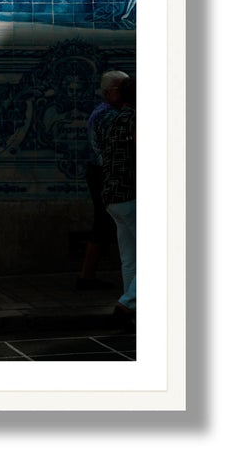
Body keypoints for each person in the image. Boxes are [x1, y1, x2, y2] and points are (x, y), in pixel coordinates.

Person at [77, 71, 129, 288]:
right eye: (122, 89)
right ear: (109, 92)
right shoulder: (109, 116)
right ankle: (87, 276)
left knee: (105, 222)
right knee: (103, 222)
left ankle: (88, 276)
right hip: (104, 173)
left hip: (101, 172)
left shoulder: (107, 112)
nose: (127, 93)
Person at [100, 75, 137, 323]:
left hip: (112, 195)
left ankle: (133, 310)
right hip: (132, 194)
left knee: (129, 258)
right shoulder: (137, 119)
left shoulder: (110, 118)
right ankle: (128, 303)